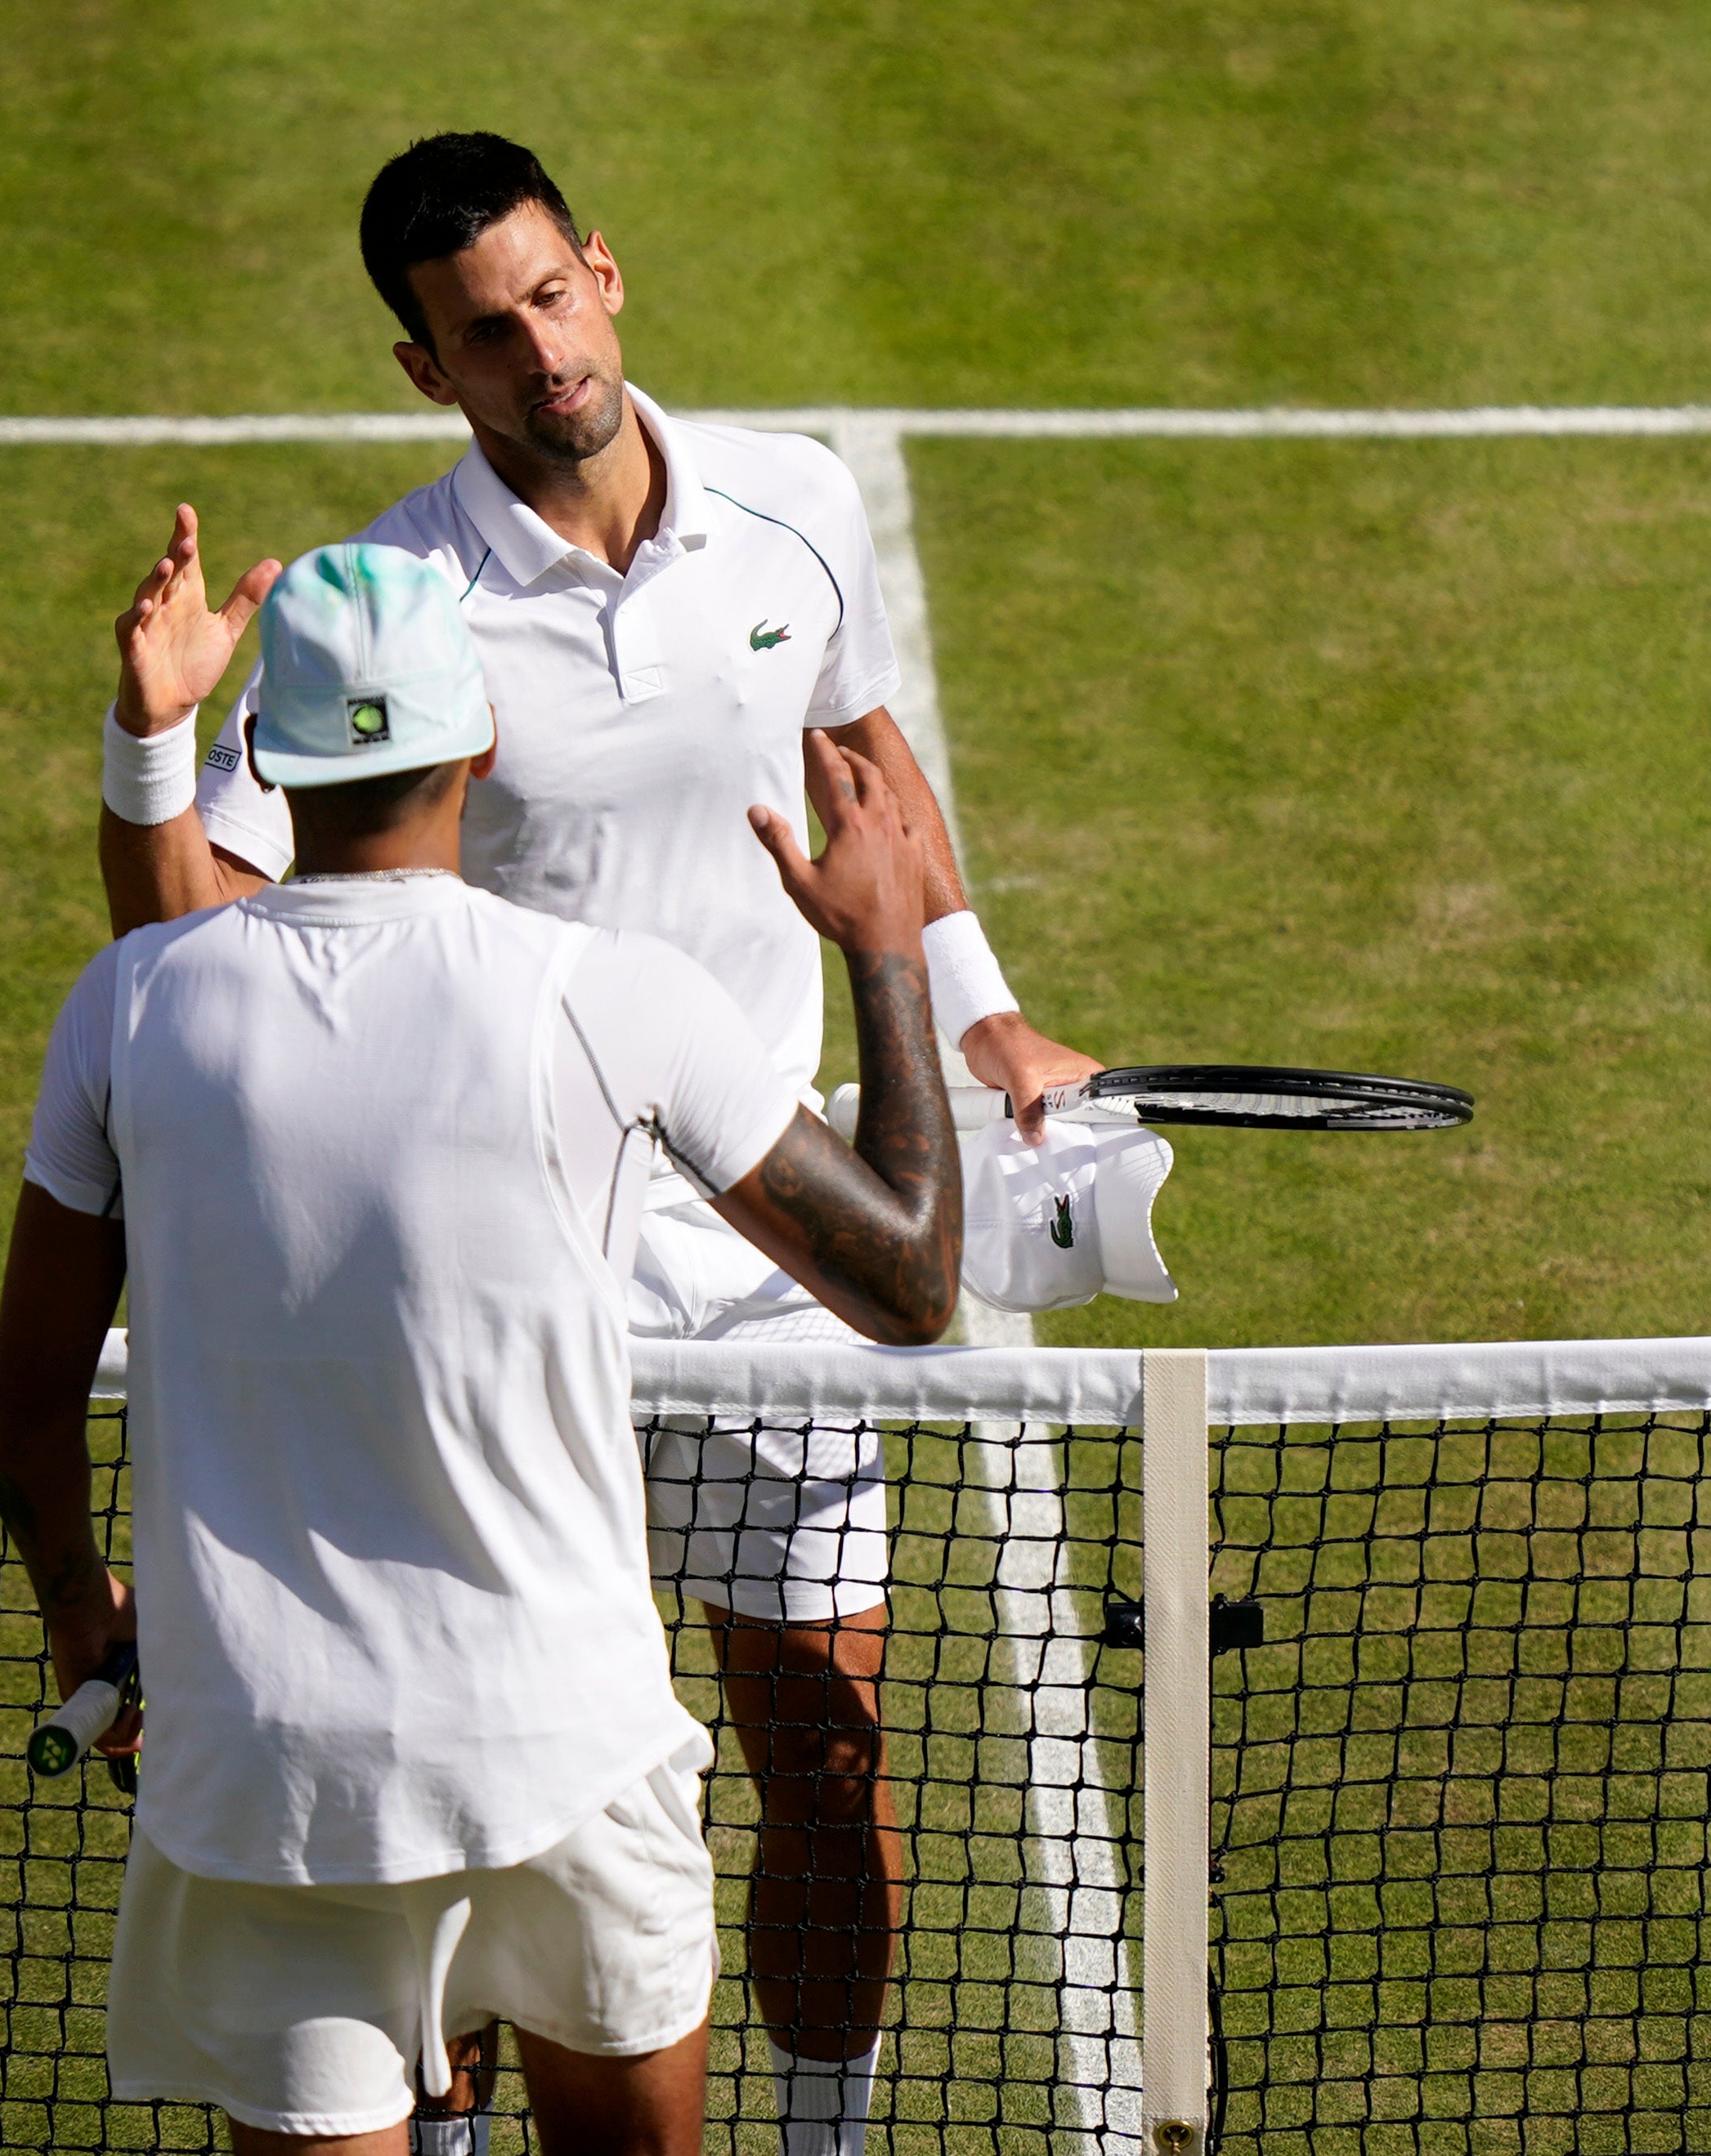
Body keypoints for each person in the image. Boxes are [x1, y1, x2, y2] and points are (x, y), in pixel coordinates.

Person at [87, 133, 1104, 2156]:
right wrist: (147, 747)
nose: (537, 352)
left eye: (552, 298)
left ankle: (817, 2133)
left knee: (823, 1749)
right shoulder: (403, 604)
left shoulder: (796, 508)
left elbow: (859, 746)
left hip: (771, 1250)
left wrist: (974, 997)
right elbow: (188, 939)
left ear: (608, 277)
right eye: (484, 332)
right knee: (471, 1770)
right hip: (500, 1284)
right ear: (423, 371)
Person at [0, 543, 958, 2156]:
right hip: (561, 1753)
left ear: (274, 761)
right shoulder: (618, 999)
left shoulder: (129, 1005)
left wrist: (86, 1622)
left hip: (266, 1772)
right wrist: (886, 944)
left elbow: (28, 1405)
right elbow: (912, 1277)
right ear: (484, 734)